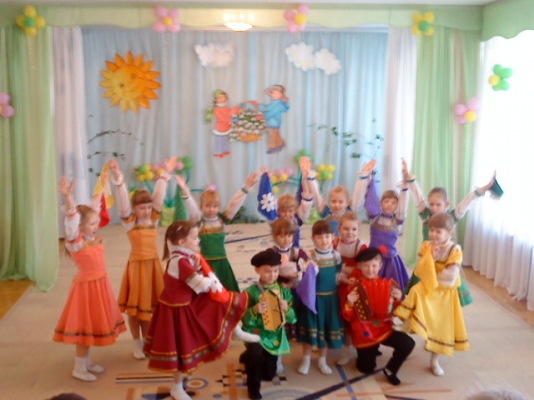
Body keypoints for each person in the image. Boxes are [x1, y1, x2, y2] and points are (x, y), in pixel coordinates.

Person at [143, 220, 259, 400]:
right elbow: (199, 284)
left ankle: (235, 330)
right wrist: (210, 278)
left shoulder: (184, 257)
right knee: (179, 350)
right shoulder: (180, 261)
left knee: (221, 301)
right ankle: (177, 387)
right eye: (195, 237)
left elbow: (193, 279)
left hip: (186, 303)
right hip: (176, 311)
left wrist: (198, 267)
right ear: (182, 242)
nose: (198, 241)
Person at [53, 177, 126, 381]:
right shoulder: (75, 242)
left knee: (92, 325)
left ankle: (86, 362)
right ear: (80, 226)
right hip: (86, 289)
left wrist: (103, 181)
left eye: (96, 222)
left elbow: (95, 204)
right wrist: (68, 197)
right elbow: (71, 219)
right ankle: (79, 367)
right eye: (92, 223)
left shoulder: (90, 237)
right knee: (84, 328)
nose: (96, 226)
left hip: (100, 286)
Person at [403, 161, 497, 306]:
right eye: (431, 204)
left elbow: (467, 201)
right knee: (422, 292)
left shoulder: (452, 217)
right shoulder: (426, 215)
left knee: (442, 294)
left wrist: (486, 187)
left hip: (445, 260)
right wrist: (410, 179)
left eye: (438, 204)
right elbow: (418, 196)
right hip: (428, 258)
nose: (434, 208)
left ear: (446, 204)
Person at [109, 157, 175, 360]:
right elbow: (122, 202)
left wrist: (164, 175)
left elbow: (158, 197)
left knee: (150, 308)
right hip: (137, 268)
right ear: (134, 209)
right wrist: (119, 178)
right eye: (141, 208)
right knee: (135, 310)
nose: (146, 211)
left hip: (153, 266)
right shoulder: (130, 222)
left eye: (148, 207)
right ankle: (136, 342)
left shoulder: (153, 220)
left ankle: (148, 341)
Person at [394, 213, 469, 376]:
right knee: (415, 291)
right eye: (432, 230)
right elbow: (420, 270)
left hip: (445, 292)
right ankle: (406, 325)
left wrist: (432, 273)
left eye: (438, 231)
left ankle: (435, 360)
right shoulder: (426, 245)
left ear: (449, 233)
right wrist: (431, 258)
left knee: (441, 326)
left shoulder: (455, 250)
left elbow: (450, 276)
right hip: (428, 287)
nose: (434, 234)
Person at [342, 247, 415, 386]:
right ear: (359, 266)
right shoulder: (354, 289)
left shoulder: (389, 286)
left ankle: (390, 369)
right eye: (366, 266)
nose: (370, 269)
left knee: (408, 343)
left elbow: (396, 312)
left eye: (374, 265)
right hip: (364, 334)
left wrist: (400, 298)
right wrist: (349, 303)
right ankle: (369, 351)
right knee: (366, 368)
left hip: (384, 329)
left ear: (380, 266)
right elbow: (349, 318)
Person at [175, 171, 259, 292]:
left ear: (218, 207)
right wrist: (185, 191)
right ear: (201, 206)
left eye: (215, 206)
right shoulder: (199, 222)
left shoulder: (221, 220)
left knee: (226, 291)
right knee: (207, 291)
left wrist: (245, 188)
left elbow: (234, 204)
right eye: (208, 206)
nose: (211, 209)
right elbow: (191, 207)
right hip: (205, 263)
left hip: (222, 263)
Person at [240, 248, 297, 400]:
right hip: (256, 335)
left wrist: (287, 309)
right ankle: (253, 389)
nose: (272, 275)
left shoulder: (284, 291)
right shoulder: (250, 292)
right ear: (257, 270)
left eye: (275, 271)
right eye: (267, 271)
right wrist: (254, 310)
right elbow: (244, 321)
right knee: (255, 359)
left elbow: (293, 319)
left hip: (274, 336)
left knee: (268, 375)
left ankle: (248, 356)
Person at [296, 220, 344, 375]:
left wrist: (345, 279)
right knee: (310, 329)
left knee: (326, 330)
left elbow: (337, 276)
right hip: (313, 300)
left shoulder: (336, 256)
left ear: (333, 237)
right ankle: (306, 359)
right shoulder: (309, 256)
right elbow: (302, 278)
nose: (324, 240)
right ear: (313, 238)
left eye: (327, 236)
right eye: (319, 237)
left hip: (330, 300)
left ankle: (322, 360)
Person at [270, 218, 310, 372]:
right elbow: (268, 270)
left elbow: (307, 266)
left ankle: (299, 346)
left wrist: (297, 274)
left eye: (289, 235)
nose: (286, 239)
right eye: (281, 236)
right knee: (279, 325)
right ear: (275, 236)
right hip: (277, 294)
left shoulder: (297, 252)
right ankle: (278, 358)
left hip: (294, 293)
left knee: (294, 320)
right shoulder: (272, 252)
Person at [363, 160, 410, 290]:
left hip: (390, 259)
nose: (389, 204)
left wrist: (405, 182)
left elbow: (404, 202)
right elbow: (369, 199)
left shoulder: (397, 220)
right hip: (373, 259)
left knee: (390, 287)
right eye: (386, 201)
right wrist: (370, 176)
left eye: (394, 202)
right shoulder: (374, 218)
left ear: (397, 206)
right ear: (381, 203)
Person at [257, 156, 314, 248]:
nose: (287, 214)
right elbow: (267, 201)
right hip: (279, 250)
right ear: (278, 211)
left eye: (290, 211)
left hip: (294, 250)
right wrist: (266, 180)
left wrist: (304, 175)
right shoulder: (275, 220)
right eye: (283, 211)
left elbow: (305, 196)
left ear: (295, 211)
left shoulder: (297, 219)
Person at [334, 211, 367, 365]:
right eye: (346, 228)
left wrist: (342, 268)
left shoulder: (361, 246)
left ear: (358, 230)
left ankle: (347, 350)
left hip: (352, 286)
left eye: (354, 229)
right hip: (335, 283)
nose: (350, 232)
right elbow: (327, 264)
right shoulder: (333, 243)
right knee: (334, 314)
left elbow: (362, 269)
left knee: (350, 317)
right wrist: (343, 271)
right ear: (339, 229)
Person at [308, 159, 375, 236]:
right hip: (330, 242)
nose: (337, 205)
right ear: (329, 201)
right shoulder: (326, 212)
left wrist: (363, 177)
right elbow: (316, 195)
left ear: (347, 203)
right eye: (333, 201)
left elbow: (358, 195)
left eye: (340, 202)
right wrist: (310, 179)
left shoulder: (349, 212)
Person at [204, 89, 241, 158]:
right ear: (215, 100)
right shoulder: (217, 109)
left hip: (226, 127)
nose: (222, 99)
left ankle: (224, 150)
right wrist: (230, 120)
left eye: (223, 97)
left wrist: (236, 109)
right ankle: (218, 152)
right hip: (220, 127)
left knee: (225, 140)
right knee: (219, 140)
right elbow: (222, 118)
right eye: (219, 97)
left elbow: (230, 112)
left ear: (226, 98)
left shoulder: (226, 107)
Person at [256, 84, 289, 154]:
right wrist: (259, 105)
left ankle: (272, 148)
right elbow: (267, 108)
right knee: (276, 134)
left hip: (274, 122)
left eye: (277, 93)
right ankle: (281, 143)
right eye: (273, 93)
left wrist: (262, 117)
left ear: (281, 95)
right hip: (273, 122)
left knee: (272, 136)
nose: (274, 95)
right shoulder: (274, 103)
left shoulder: (278, 104)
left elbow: (271, 113)